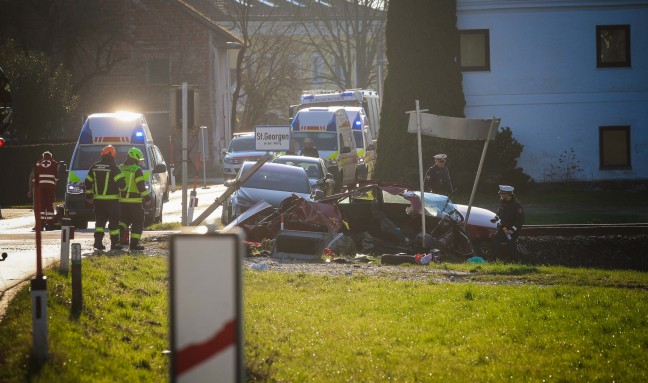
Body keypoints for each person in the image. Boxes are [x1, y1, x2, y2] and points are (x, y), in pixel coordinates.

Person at [85, 145, 126, 251]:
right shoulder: (114, 167)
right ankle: (115, 244)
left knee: (99, 223)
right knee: (114, 224)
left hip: (98, 202)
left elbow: (88, 182)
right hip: (112, 201)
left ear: (102, 154)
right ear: (112, 155)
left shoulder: (94, 166)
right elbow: (122, 184)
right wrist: (124, 191)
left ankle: (98, 243)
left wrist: (89, 196)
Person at [118, 148, 152, 251]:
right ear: (135, 158)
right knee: (138, 222)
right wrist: (147, 198)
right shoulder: (137, 169)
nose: (140, 162)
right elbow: (141, 186)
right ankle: (134, 244)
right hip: (135, 203)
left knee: (123, 221)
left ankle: (115, 241)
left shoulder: (119, 167)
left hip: (122, 202)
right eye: (140, 159)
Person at [491, 185, 525, 262]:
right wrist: (495, 218)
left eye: (502, 194)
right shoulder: (503, 202)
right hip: (503, 227)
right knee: (495, 240)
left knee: (511, 245)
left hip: (511, 230)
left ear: (508, 194)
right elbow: (499, 211)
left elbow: (520, 220)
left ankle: (516, 261)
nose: (500, 195)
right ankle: (498, 260)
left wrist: (513, 230)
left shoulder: (516, 205)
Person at [29, 151, 59, 231]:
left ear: (43, 157)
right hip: (50, 189)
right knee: (50, 205)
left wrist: (30, 190)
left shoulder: (38, 163)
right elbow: (57, 177)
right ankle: (50, 224)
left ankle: (40, 225)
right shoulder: (54, 163)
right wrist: (54, 186)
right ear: (51, 156)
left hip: (39, 189)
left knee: (40, 206)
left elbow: (32, 176)